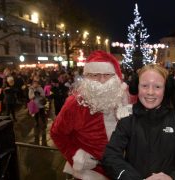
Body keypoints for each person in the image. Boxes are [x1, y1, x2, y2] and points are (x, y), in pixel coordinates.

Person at [102, 64, 175, 180]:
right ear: (136, 87)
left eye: (157, 87)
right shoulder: (127, 121)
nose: (150, 92)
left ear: (166, 89)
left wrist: (174, 178)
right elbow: (110, 156)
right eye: (144, 85)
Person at [50, 50, 131, 180]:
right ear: (86, 76)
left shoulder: (125, 98)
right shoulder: (75, 103)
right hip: (91, 173)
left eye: (107, 75)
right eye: (94, 75)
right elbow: (57, 133)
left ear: (116, 77)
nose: (101, 80)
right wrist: (75, 154)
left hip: (124, 171)